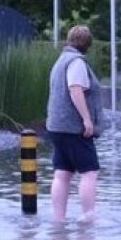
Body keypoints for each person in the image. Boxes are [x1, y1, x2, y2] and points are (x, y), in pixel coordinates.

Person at [46, 25, 103, 223]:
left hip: (56, 126)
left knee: (62, 173)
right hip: (73, 128)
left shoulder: (60, 60)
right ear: (88, 44)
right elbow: (75, 89)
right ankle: (88, 217)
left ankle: (58, 220)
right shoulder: (77, 62)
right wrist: (87, 119)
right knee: (90, 172)